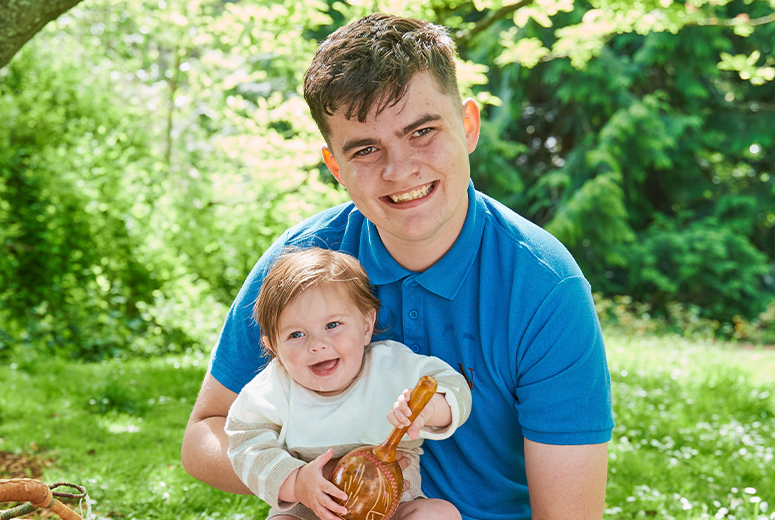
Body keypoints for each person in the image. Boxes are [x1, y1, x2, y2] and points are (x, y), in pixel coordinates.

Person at [182, 12, 615, 520]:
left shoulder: (544, 287)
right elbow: (203, 436)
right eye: (365, 149)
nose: (398, 169)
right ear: (335, 168)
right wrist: (305, 477)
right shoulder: (301, 264)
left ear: (468, 126)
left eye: (422, 131)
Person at [225, 247, 471, 520]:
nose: (317, 344)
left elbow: (453, 385)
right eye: (296, 334)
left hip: (392, 505)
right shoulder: (274, 388)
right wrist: (295, 482)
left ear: (366, 326)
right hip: (309, 510)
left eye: (332, 325)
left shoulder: (391, 366)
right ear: (274, 347)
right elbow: (244, 443)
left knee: (438, 513)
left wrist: (429, 409)